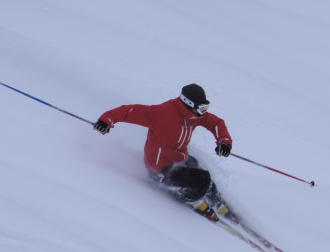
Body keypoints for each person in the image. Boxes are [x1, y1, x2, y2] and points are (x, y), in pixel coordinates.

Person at [93, 83, 232, 219]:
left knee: (200, 171)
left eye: (205, 107)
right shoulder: (161, 113)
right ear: (188, 103)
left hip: (180, 160)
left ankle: (216, 200)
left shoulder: (194, 116)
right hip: (161, 169)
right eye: (202, 108)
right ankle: (192, 200)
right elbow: (129, 111)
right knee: (202, 179)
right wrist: (106, 120)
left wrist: (224, 142)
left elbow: (215, 123)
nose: (204, 112)